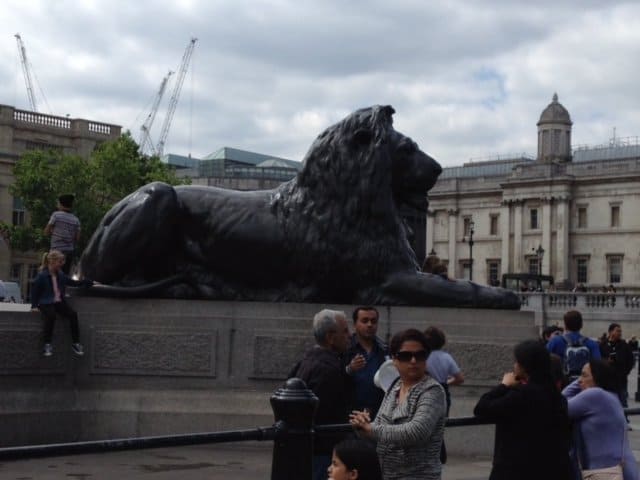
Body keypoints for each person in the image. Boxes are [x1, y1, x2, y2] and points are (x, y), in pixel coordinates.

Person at [350, 328, 446, 480]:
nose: (413, 361)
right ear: (394, 360)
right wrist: (362, 425)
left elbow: (416, 432)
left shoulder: (432, 390)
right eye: (406, 356)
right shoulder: (395, 387)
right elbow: (380, 428)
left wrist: (371, 429)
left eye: (420, 355)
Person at [474, 340, 571, 480]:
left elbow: (482, 408)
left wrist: (503, 385)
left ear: (525, 367)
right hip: (552, 468)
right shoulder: (556, 397)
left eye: (517, 362)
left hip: (516, 469)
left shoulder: (522, 395)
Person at [289, 309, 351, 480]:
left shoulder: (307, 361)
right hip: (321, 450)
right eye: (345, 331)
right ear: (331, 337)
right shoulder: (327, 370)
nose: (349, 335)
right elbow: (321, 413)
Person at [562, 360, 639, 480]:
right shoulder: (609, 396)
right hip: (618, 468)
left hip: (605, 471)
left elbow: (560, 405)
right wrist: (585, 378)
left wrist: (578, 382)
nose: (579, 380)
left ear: (598, 377)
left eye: (584, 375)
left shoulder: (595, 395)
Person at [30, 250, 93, 357]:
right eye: (60, 262)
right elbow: (35, 292)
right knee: (51, 316)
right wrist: (34, 306)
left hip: (58, 302)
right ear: (52, 261)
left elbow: (73, 283)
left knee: (73, 314)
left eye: (62, 261)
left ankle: (76, 343)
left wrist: (87, 282)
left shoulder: (61, 275)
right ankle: (47, 344)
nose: (62, 264)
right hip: (46, 303)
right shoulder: (42, 276)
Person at [424, 326, 464, 464]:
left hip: (426, 391)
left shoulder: (423, 357)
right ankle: (440, 454)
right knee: (440, 426)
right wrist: (447, 382)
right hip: (443, 390)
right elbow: (460, 378)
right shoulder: (446, 357)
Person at [345, 306, 388, 420]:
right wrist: (349, 369)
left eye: (373, 321)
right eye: (364, 321)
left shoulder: (384, 350)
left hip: (380, 414)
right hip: (351, 414)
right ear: (355, 324)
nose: (369, 325)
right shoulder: (345, 349)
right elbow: (335, 378)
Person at [547, 310, 601, 381]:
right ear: (581, 325)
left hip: (561, 384)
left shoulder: (554, 342)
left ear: (565, 326)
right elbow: (598, 367)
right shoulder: (592, 344)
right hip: (584, 384)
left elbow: (544, 362)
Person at [599, 323, 635, 410]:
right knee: (606, 403)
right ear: (610, 332)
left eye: (620, 331)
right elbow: (597, 360)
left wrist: (625, 372)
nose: (620, 333)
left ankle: (624, 420)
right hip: (606, 380)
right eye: (618, 331)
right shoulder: (602, 345)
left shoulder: (624, 345)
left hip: (621, 380)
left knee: (622, 403)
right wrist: (606, 361)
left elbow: (631, 360)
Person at [44, 194, 81, 275]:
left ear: (61, 204)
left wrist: (53, 232)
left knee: (50, 275)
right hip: (69, 253)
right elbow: (77, 238)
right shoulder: (76, 220)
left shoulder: (56, 215)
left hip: (55, 252)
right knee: (64, 277)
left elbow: (46, 231)